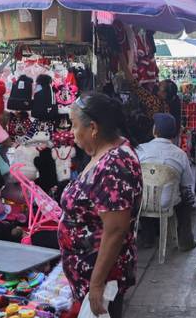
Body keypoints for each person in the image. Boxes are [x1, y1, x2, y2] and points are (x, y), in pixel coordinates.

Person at [59, 94, 142, 318]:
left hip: (103, 279)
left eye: (74, 125)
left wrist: (96, 284)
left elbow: (115, 230)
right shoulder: (104, 153)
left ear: (93, 127)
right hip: (89, 273)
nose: (71, 132)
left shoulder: (115, 164)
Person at [136, 113, 196, 251]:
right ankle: (185, 240)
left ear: (154, 131)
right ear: (173, 134)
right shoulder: (180, 154)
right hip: (168, 202)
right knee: (186, 198)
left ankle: (147, 237)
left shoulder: (140, 149)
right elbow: (187, 182)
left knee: (144, 190)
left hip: (143, 202)